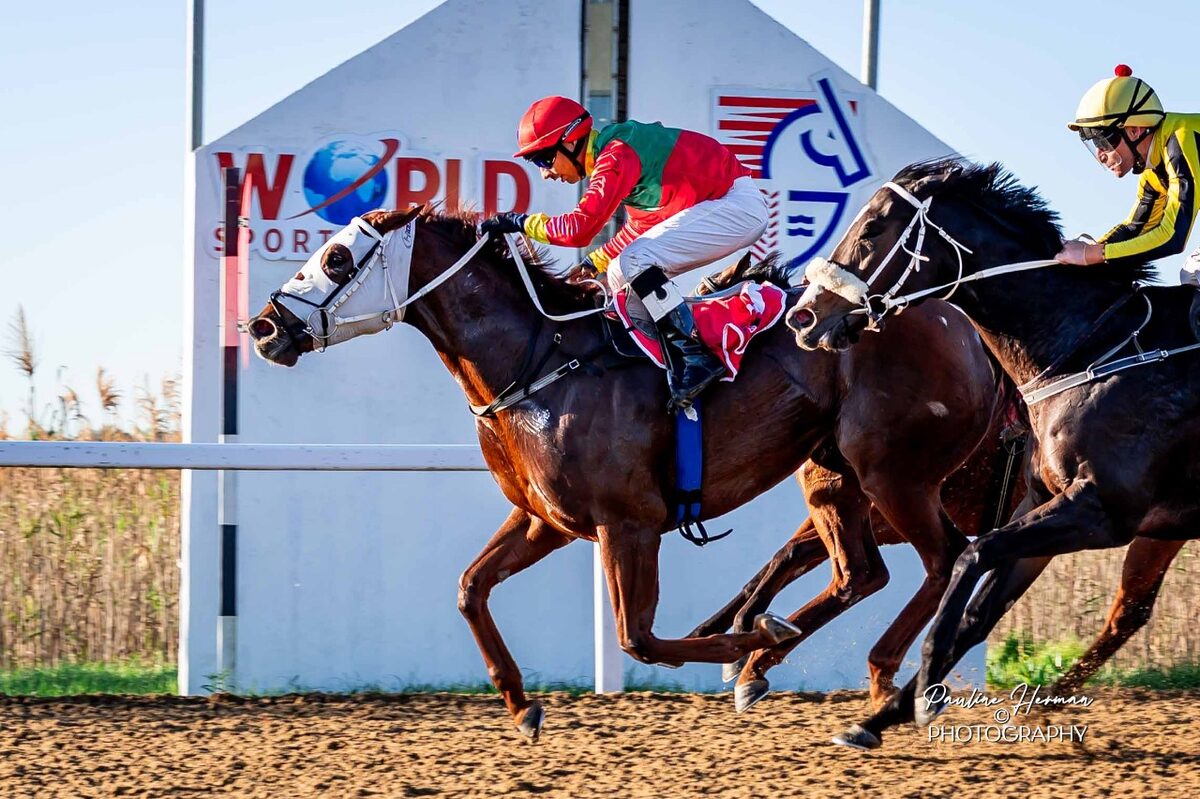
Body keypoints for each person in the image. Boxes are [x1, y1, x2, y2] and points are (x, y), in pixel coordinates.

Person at [479, 96, 769, 408]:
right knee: (619, 273)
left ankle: (695, 354)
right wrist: (596, 262)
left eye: (543, 160)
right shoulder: (619, 154)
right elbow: (641, 227)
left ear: (571, 141)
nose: (546, 174)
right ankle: (663, 367)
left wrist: (519, 222)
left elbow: (579, 228)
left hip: (738, 206)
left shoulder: (617, 153)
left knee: (634, 261)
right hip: (727, 205)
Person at [1058, 65, 1200, 335]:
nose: (1100, 154)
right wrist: (1083, 251)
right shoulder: (1153, 170)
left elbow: (1173, 236)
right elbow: (1135, 227)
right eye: (1091, 143)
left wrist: (1092, 255)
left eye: (1103, 139)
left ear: (1134, 131)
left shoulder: (1180, 140)